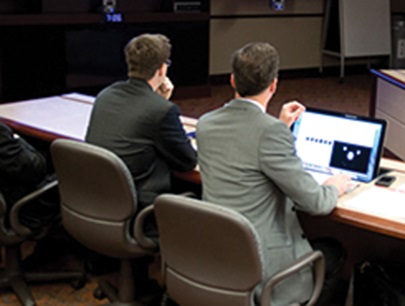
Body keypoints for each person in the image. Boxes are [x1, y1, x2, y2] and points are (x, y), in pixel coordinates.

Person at [197, 42, 352, 306]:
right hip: (263, 267)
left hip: (220, 256)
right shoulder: (270, 133)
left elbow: (244, 144)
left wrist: (279, 126)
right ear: (273, 86)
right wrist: (334, 186)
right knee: (334, 252)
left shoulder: (205, 123)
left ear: (232, 80)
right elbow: (316, 203)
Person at [85, 34, 197, 212]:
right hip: (139, 207)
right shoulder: (161, 110)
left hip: (99, 200)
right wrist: (162, 103)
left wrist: (159, 100)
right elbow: (187, 161)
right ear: (161, 69)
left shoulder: (106, 95)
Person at [0, 123, 59, 230]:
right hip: (21, 210)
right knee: (79, 171)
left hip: (10, 195)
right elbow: (34, 170)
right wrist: (18, 139)